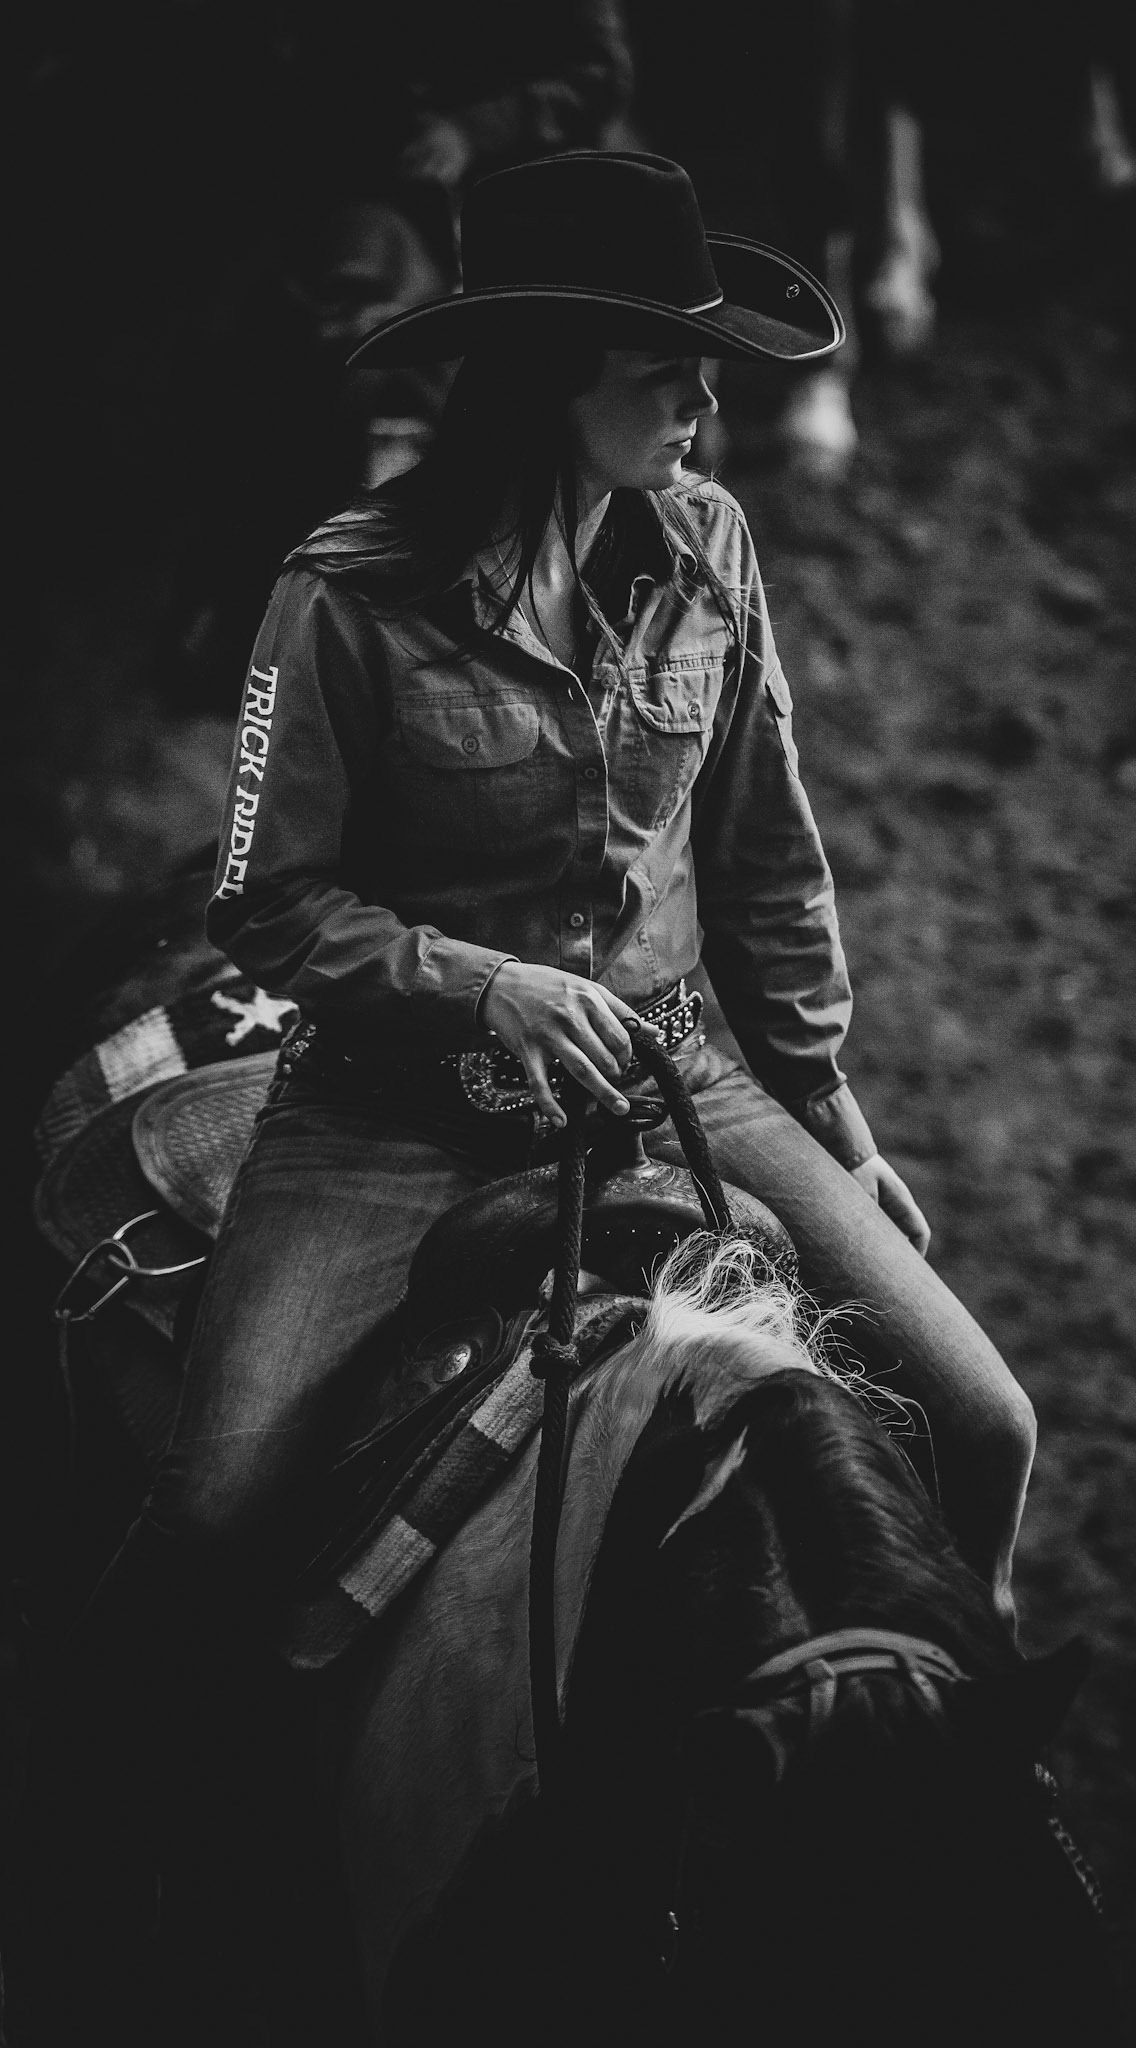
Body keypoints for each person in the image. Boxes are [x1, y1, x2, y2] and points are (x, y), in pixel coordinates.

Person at [188, 149, 1036, 1635]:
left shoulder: (711, 543)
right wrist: (484, 988)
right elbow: (266, 902)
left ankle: (948, 1749)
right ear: (544, 384)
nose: (705, 402)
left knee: (985, 1429)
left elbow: (763, 848)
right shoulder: (341, 596)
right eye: (665, 372)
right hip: (389, 1118)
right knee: (214, 1509)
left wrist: (828, 1110)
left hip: (671, 1078)